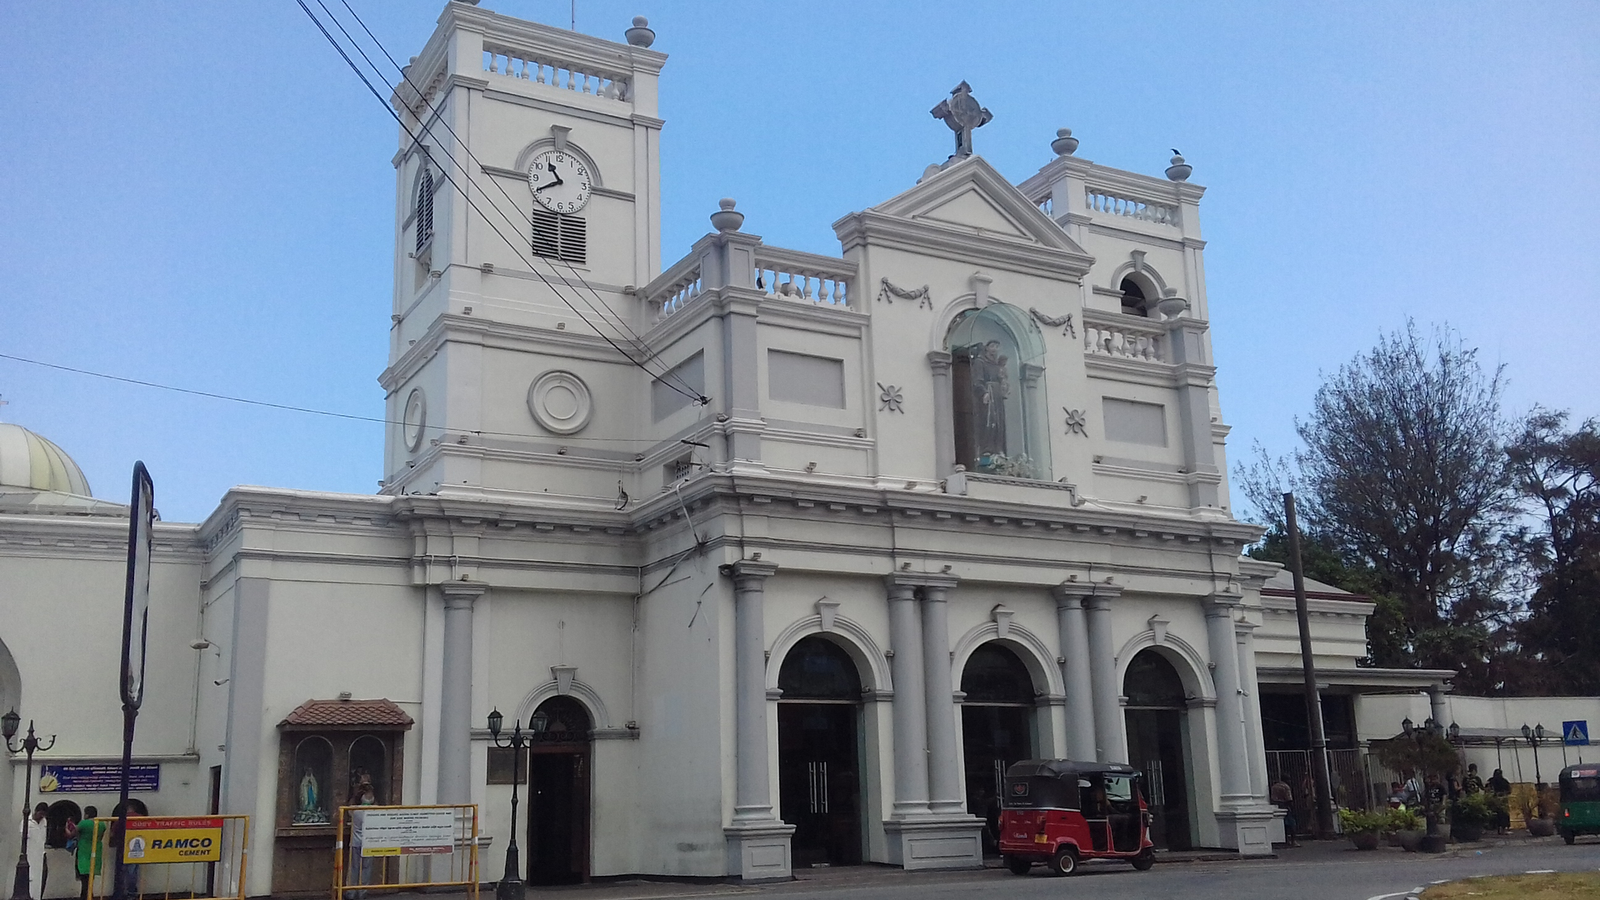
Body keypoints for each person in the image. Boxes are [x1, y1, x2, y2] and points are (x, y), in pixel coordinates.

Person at [75, 806, 105, 900]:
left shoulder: (84, 823)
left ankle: (86, 897)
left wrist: (67, 827)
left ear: (87, 814)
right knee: (90, 879)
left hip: (84, 853)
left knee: (84, 880)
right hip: (96, 852)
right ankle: (88, 896)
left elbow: (72, 833)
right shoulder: (102, 824)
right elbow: (100, 837)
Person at [24, 802, 48, 899]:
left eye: (43, 815)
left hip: (42, 854)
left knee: (42, 878)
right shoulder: (26, 822)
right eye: (40, 814)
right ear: (36, 811)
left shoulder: (44, 822)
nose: (41, 817)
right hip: (30, 855)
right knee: (30, 879)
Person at [1270, 777, 1297, 847]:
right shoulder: (1286, 787)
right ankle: (1293, 841)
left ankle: (1286, 840)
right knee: (1292, 824)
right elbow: (1289, 799)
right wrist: (1291, 808)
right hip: (1285, 805)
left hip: (1276, 806)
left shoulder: (1274, 786)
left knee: (1283, 824)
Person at [1487, 768, 1512, 834]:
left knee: (1499, 814)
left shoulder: (1491, 780)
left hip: (1497, 800)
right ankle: (1502, 828)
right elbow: (1509, 791)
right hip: (1499, 800)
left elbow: (1487, 789)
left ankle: (1498, 828)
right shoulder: (1504, 781)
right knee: (1501, 814)